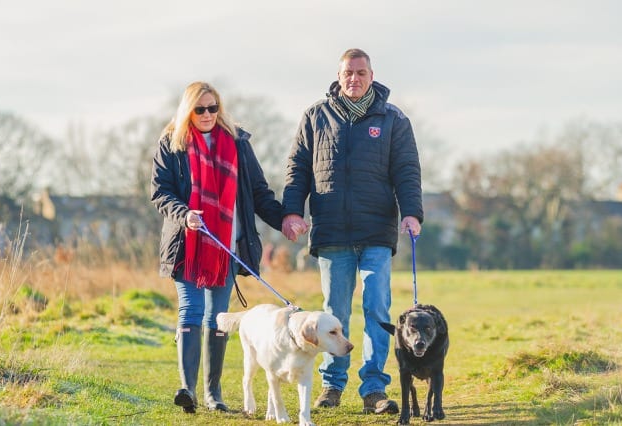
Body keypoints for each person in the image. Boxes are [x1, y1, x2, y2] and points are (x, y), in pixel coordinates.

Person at [282, 48, 423, 415]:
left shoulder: (393, 119)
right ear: (339, 75)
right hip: (331, 233)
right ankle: (331, 384)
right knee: (334, 312)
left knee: (377, 308)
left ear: (371, 76)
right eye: (348, 73)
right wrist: (292, 212)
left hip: (377, 231)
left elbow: (407, 171)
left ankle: (374, 388)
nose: (354, 79)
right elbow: (297, 169)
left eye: (361, 73)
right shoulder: (315, 116)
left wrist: (412, 213)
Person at [151, 81, 283, 414]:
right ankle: (187, 389)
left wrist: (286, 221)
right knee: (191, 311)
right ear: (188, 111)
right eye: (200, 109)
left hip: (227, 245)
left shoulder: (238, 144)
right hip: (187, 244)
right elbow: (160, 192)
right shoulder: (171, 144)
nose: (208, 114)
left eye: (213, 108)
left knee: (217, 318)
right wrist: (185, 215)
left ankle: (214, 395)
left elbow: (260, 193)